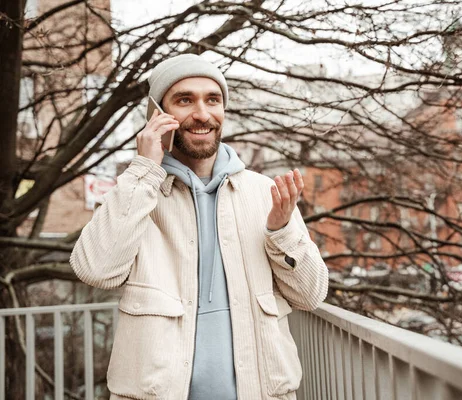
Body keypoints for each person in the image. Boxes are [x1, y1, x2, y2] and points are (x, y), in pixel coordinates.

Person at [70, 54, 329, 400]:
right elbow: (95, 270)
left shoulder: (263, 193)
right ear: (157, 116)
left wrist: (281, 233)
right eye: (184, 100)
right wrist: (144, 169)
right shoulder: (138, 193)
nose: (203, 114)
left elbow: (311, 295)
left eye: (213, 99)